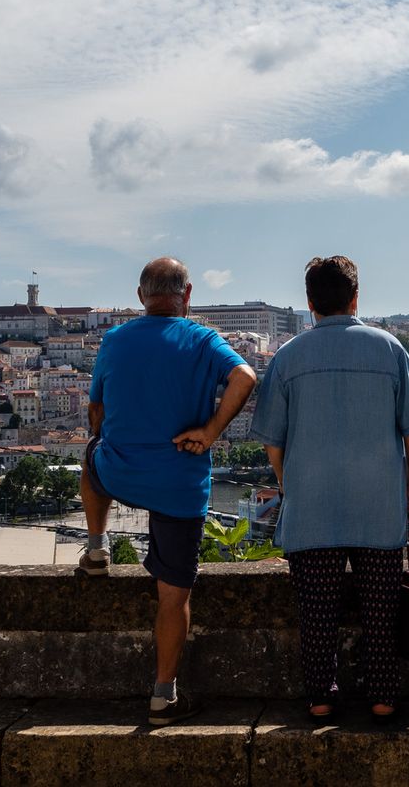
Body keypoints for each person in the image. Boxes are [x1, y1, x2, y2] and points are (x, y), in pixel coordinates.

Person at [249, 255, 409, 724]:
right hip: (378, 502)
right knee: (381, 607)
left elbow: (272, 440)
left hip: (312, 503)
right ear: (356, 297)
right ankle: (382, 695)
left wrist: (290, 482)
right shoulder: (390, 349)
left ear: (310, 302)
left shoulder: (289, 357)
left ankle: (321, 696)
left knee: (316, 613)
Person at [78, 257, 257, 726]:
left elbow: (96, 410)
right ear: (188, 294)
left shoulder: (114, 340)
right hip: (180, 480)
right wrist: (212, 430)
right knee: (173, 598)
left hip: (120, 472)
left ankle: (96, 548)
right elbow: (245, 377)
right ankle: (163, 696)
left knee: (89, 457)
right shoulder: (203, 339)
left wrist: (113, 436)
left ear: (141, 296)